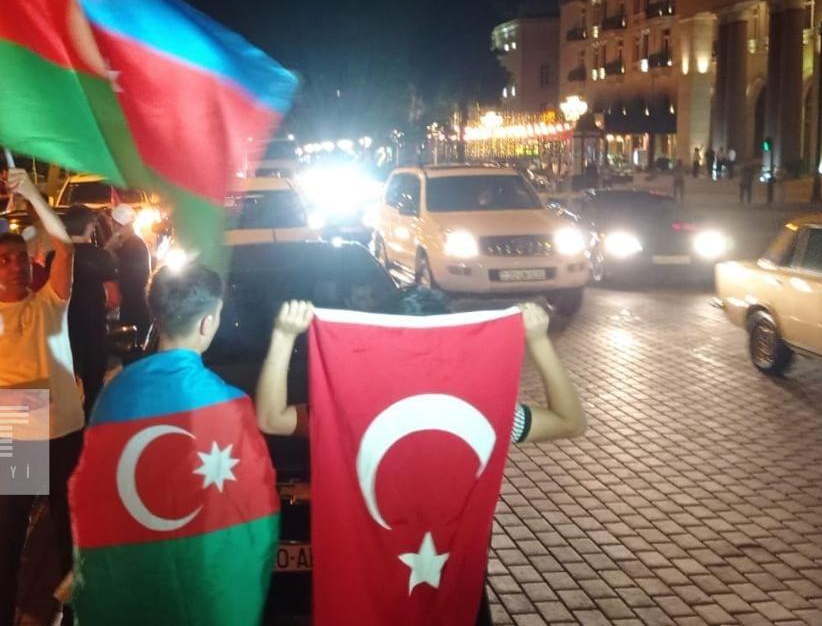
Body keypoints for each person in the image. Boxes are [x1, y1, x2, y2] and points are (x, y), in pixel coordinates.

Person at [255, 291, 586, 625]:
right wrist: (538, 342)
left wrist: (284, 337)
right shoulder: (479, 415)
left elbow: (272, 419)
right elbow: (569, 421)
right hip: (451, 592)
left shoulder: (352, 412)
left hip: (399, 594)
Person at [70, 262, 279, 626]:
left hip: (133, 589)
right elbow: (253, 502)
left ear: (157, 315)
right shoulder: (228, 405)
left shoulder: (114, 394)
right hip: (200, 594)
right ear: (207, 322)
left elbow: (93, 491)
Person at [0, 178, 82, 626]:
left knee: (72, 540)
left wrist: (33, 195)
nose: (15, 266)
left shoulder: (50, 304)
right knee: (4, 543)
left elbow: (65, 246)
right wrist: (9, 400)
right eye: (4, 261)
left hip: (65, 435)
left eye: (21, 258)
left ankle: (74, 614)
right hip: (14, 443)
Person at [57, 205, 119, 416]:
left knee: (66, 379)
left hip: (63, 328)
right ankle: (92, 420)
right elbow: (114, 298)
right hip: (93, 325)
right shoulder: (101, 256)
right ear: (88, 226)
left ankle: (68, 421)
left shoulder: (54, 257)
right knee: (94, 382)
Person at [105, 204, 151, 341]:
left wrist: (109, 248)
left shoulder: (132, 246)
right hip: (135, 306)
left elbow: (124, 277)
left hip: (133, 309)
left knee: (133, 345)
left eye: (112, 223)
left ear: (118, 225)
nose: (111, 226)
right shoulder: (132, 243)